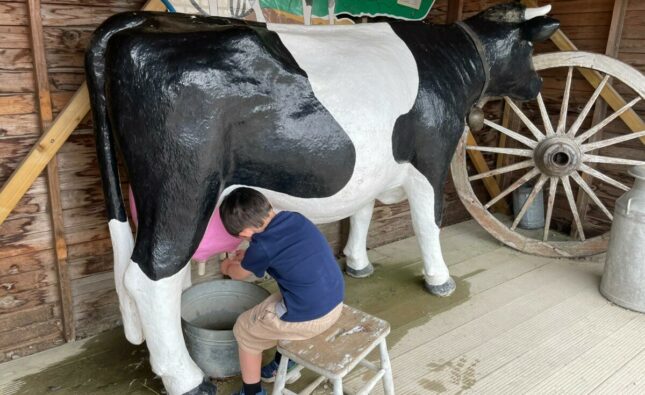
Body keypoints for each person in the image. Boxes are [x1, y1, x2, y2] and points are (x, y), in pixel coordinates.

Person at [219, 187, 345, 395]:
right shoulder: (294, 218)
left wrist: (226, 266)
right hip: (334, 301)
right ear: (267, 204)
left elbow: (237, 274)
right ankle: (285, 364)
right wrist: (250, 256)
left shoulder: (262, 247)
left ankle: (252, 392)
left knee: (243, 328)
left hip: (311, 318)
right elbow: (282, 253)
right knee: (276, 304)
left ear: (244, 234)